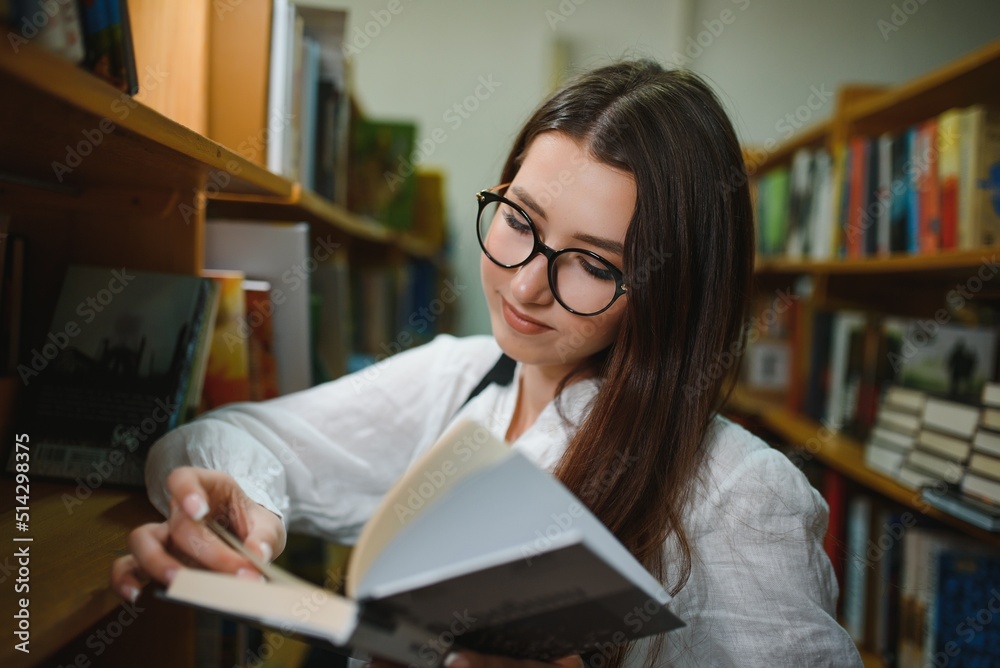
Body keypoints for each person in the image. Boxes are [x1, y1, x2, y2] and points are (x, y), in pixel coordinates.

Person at [111, 60, 862, 668]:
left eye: (592, 266)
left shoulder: (739, 493)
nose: (527, 284)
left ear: (670, 290)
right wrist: (244, 513)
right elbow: (235, 438)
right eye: (518, 221)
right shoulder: (460, 378)